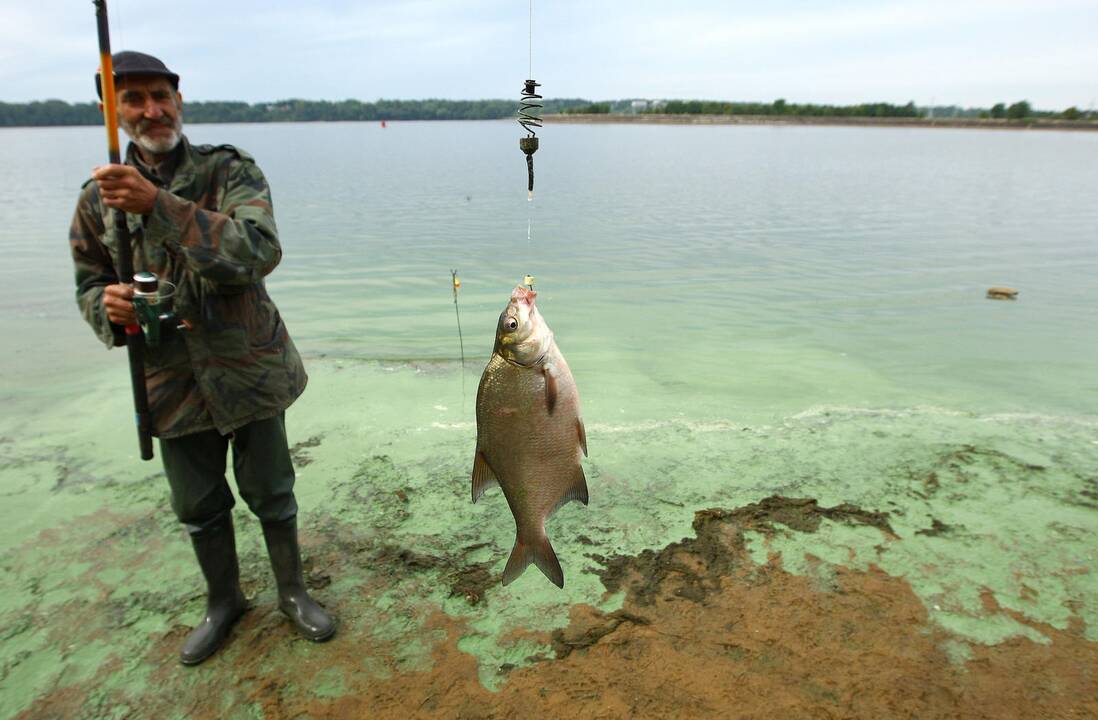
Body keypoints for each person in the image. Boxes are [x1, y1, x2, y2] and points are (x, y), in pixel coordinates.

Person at [69, 51, 335, 665]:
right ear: (113, 110)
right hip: (167, 377)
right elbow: (87, 280)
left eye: (161, 95)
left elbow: (258, 252)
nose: (151, 110)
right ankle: (224, 602)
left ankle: (292, 592)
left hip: (250, 365)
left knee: (272, 489)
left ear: (179, 100)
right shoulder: (95, 199)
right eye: (133, 99)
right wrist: (104, 306)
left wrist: (159, 207)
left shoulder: (229, 171)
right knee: (197, 503)